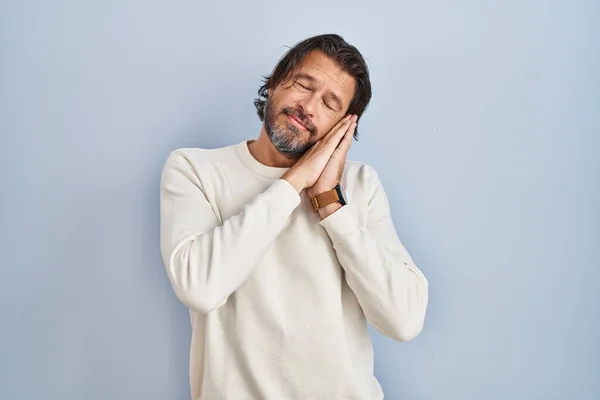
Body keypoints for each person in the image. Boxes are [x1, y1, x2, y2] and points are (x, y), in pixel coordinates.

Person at [160, 33, 429, 400]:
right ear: (274, 83)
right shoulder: (194, 169)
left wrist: (331, 204)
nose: (309, 106)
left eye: (330, 103)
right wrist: (294, 182)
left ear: (343, 128)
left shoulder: (360, 185)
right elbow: (200, 288)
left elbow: (405, 320)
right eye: (304, 84)